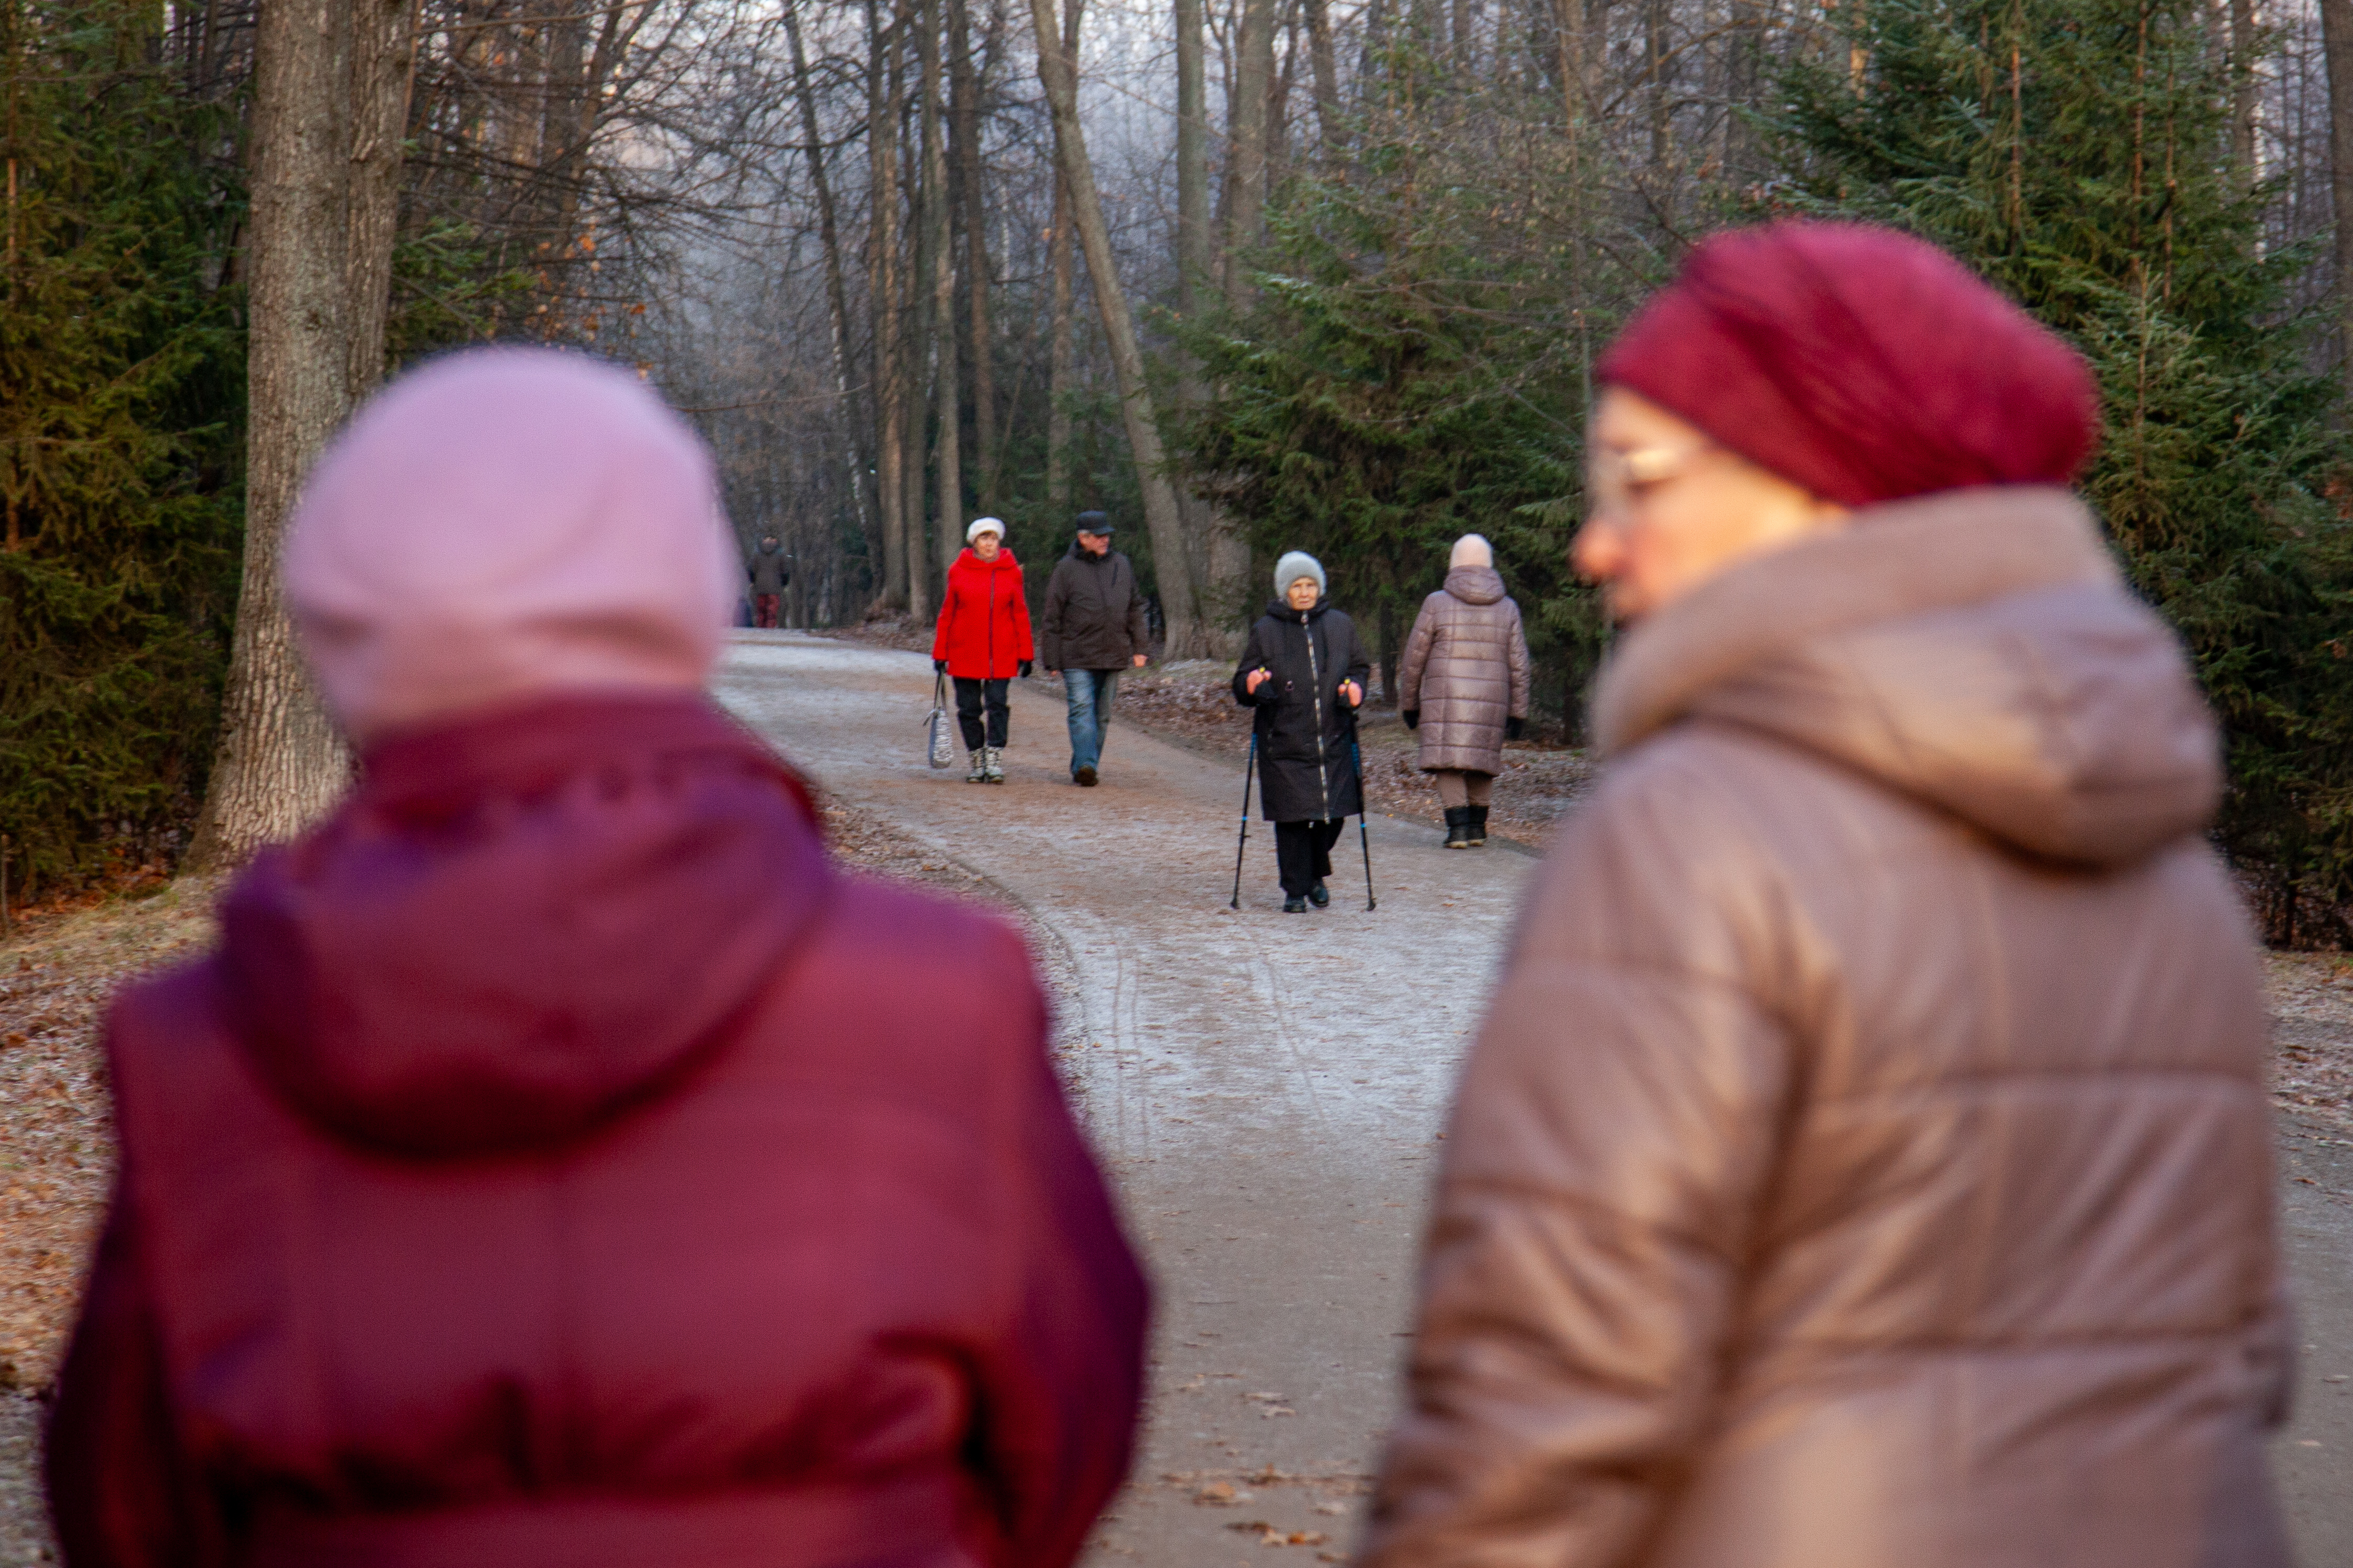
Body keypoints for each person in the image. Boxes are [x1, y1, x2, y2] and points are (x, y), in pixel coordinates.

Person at [44, 350, 1149, 1568]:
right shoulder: (941, 999)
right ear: (682, 596)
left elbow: (124, 1502)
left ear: (346, 631)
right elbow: (1071, 1408)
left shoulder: (203, 1052)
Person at [1365, 222, 2291, 1567]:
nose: (1591, 545)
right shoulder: (2169, 869)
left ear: (1818, 490)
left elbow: (1541, 1401)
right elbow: (2238, 1353)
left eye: (1637, 477)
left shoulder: (1695, 840)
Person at [1233, 552, 1370, 913]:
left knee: (1334, 815)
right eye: (1297, 586)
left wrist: (1354, 689)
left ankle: (1313, 874)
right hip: (1284, 738)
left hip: (1332, 737)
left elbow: (1358, 667)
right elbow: (1241, 681)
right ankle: (1296, 890)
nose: (1305, 592)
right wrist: (1252, 685)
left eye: (1310, 585)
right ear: (1285, 591)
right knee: (1292, 819)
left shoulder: (1341, 625)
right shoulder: (1265, 630)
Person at [1395, 534, 1531, 849]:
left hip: (1446, 698)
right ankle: (1477, 828)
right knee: (1482, 759)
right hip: (1492, 701)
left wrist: (1410, 703)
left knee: (1448, 760)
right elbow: (1520, 664)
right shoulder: (1508, 608)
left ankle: (1457, 830)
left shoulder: (1436, 602)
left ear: (1454, 563)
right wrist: (1518, 711)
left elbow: (1414, 659)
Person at [1040, 510, 1150, 787]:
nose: (1105, 540)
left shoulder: (1122, 565)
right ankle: (1086, 765)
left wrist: (1140, 647)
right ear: (1083, 538)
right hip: (1075, 654)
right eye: (1099, 536)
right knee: (1081, 708)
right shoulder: (1065, 569)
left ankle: (1086, 764)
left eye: (1107, 535)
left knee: (1101, 716)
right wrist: (1052, 659)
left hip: (1112, 652)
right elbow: (1052, 616)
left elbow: (1135, 606)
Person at [932, 517, 1035, 784]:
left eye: (994, 539)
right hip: (964, 651)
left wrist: (1026, 653)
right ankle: (977, 758)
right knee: (968, 709)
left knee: (998, 705)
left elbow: (1020, 613)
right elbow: (947, 614)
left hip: (1000, 653)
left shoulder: (1012, 571)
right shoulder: (958, 570)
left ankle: (994, 756)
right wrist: (940, 654)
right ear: (974, 542)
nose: (990, 544)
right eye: (984, 538)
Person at [747, 532, 789, 627]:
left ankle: (761, 630)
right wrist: (784, 583)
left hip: (760, 586)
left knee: (761, 611)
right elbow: (785, 571)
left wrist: (753, 581)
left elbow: (751, 569)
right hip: (775, 587)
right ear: (775, 540)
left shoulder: (757, 553)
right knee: (772, 612)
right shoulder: (780, 553)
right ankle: (770, 630)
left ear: (763, 540)